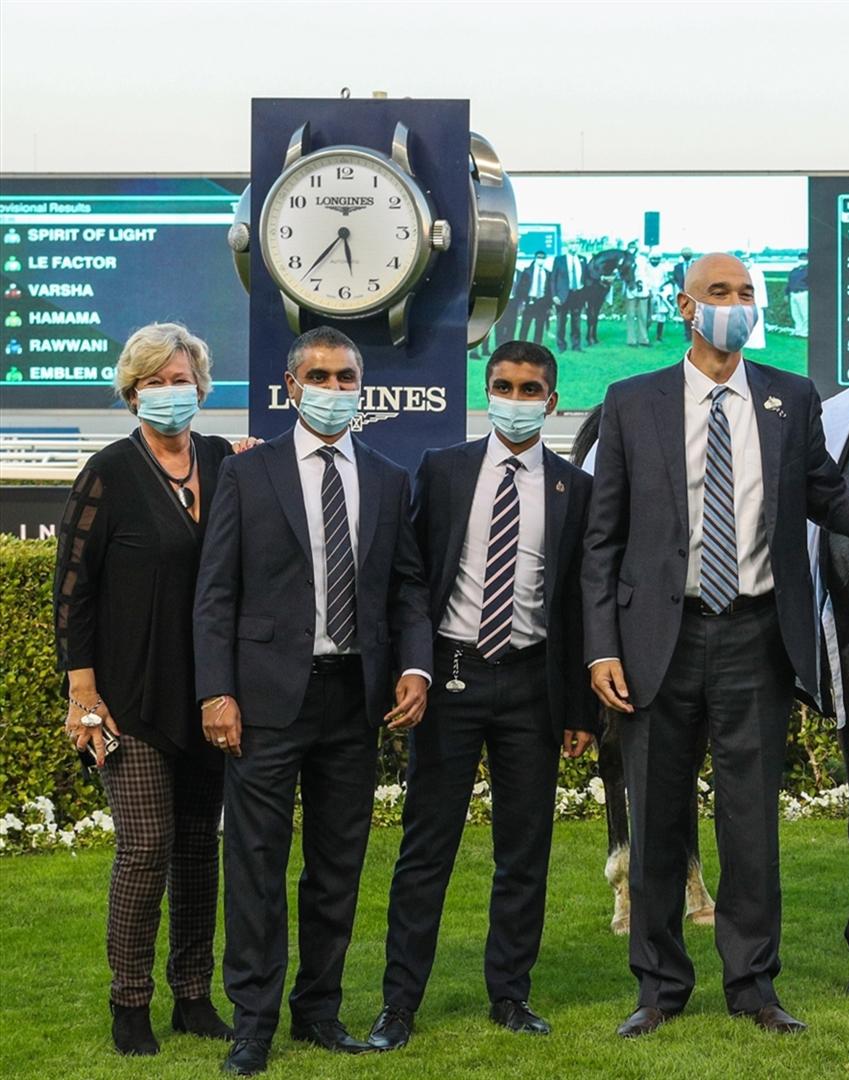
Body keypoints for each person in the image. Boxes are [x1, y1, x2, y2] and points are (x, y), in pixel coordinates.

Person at [582, 253, 849, 1038]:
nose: (737, 306)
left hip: (755, 635)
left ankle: (755, 987)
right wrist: (600, 648)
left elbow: (830, 501)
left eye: (747, 294)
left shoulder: (789, 399)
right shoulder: (631, 403)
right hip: (658, 635)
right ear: (687, 310)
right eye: (720, 294)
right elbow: (602, 541)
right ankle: (658, 989)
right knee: (659, 821)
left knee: (750, 825)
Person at [194, 326, 433, 1076]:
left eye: (347, 376)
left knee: (337, 866)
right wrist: (217, 691)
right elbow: (216, 594)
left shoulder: (392, 477)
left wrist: (418, 669)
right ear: (293, 387)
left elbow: (407, 588)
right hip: (264, 700)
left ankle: (318, 1012)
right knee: (256, 864)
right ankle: (252, 1023)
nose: (335, 389)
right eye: (320, 376)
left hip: (351, 700)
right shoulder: (249, 473)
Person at [367, 341, 597, 1052]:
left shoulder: (573, 489)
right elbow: (410, 581)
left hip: (533, 683)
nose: (516, 398)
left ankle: (510, 995)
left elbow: (581, 602)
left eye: (531, 389)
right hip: (452, 677)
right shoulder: (441, 471)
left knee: (525, 850)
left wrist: (580, 711)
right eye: (504, 385)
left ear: (553, 401)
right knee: (425, 847)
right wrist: (415, 669)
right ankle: (398, 1005)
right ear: (485, 391)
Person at [53, 323, 238, 1056]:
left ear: (202, 384)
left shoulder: (224, 461)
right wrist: (83, 695)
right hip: (128, 702)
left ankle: (193, 995)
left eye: (181, 376)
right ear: (133, 392)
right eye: (156, 380)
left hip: (209, 696)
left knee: (199, 851)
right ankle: (130, 1003)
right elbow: (73, 593)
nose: (171, 390)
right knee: (147, 848)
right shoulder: (108, 470)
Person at [552, 249, 585, 353]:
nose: (574, 246)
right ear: (568, 246)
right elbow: (553, 279)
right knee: (561, 321)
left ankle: (576, 345)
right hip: (563, 295)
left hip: (578, 294)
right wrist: (554, 295)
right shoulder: (559, 260)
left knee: (576, 321)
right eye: (572, 243)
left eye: (576, 244)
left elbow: (586, 277)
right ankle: (561, 345)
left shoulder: (582, 259)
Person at [516, 252, 552, 347]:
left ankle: (536, 347)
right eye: (539, 257)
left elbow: (549, 291)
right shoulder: (527, 272)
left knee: (539, 327)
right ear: (535, 258)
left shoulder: (547, 273)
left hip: (542, 302)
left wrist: (549, 305)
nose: (541, 259)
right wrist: (523, 301)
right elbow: (521, 288)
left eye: (543, 258)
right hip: (530, 302)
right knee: (525, 326)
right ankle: (521, 346)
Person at [623, 246, 652, 348]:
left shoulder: (643, 260)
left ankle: (643, 338)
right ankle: (631, 340)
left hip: (643, 289)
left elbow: (648, 274)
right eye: (631, 247)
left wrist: (649, 287)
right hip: (630, 289)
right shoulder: (625, 259)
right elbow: (621, 273)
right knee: (631, 315)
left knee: (643, 315)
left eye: (634, 247)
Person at [786, 256, 809, 338]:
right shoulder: (794, 271)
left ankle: (805, 332)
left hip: (803, 293)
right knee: (795, 314)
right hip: (793, 294)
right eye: (800, 259)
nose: (802, 261)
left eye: (804, 259)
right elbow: (789, 283)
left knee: (805, 314)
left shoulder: (808, 270)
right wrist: (786, 293)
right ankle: (798, 331)